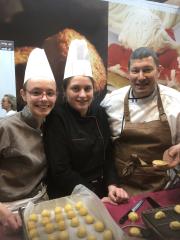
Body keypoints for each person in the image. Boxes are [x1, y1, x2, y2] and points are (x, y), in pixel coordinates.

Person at [44, 39, 129, 204]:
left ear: (94, 89)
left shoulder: (100, 113)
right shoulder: (56, 117)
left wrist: (112, 185)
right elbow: (61, 171)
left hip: (101, 190)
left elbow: (108, 155)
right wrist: (94, 197)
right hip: (70, 194)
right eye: (75, 88)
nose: (82, 95)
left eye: (87, 88)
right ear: (65, 91)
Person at [101, 47, 180, 196]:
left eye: (147, 70)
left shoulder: (176, 102)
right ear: (128, 72)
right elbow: (104, 148)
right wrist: (111, 185)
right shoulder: (111, 102)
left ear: (159, 70)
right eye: (135, 71)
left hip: (164, 189)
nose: (141, 77)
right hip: (120, 190)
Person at [0, 48, 57, 232]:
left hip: (41, 203)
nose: (44, 98)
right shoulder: (6, 127)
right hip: (9, 210)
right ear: (23, 95)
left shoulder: (51, 125)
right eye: (36, 92)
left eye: (50, 93)